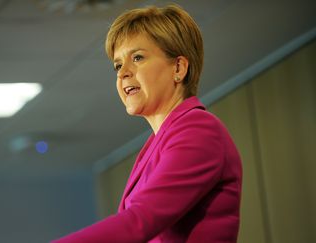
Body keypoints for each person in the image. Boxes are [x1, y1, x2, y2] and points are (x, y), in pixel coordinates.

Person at [53, 3, 242, 243]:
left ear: (178, 68)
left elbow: (140, 220)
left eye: (138, 58)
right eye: (118, 65)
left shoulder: (199, 130)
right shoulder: (158, 142)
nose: (123, 73)